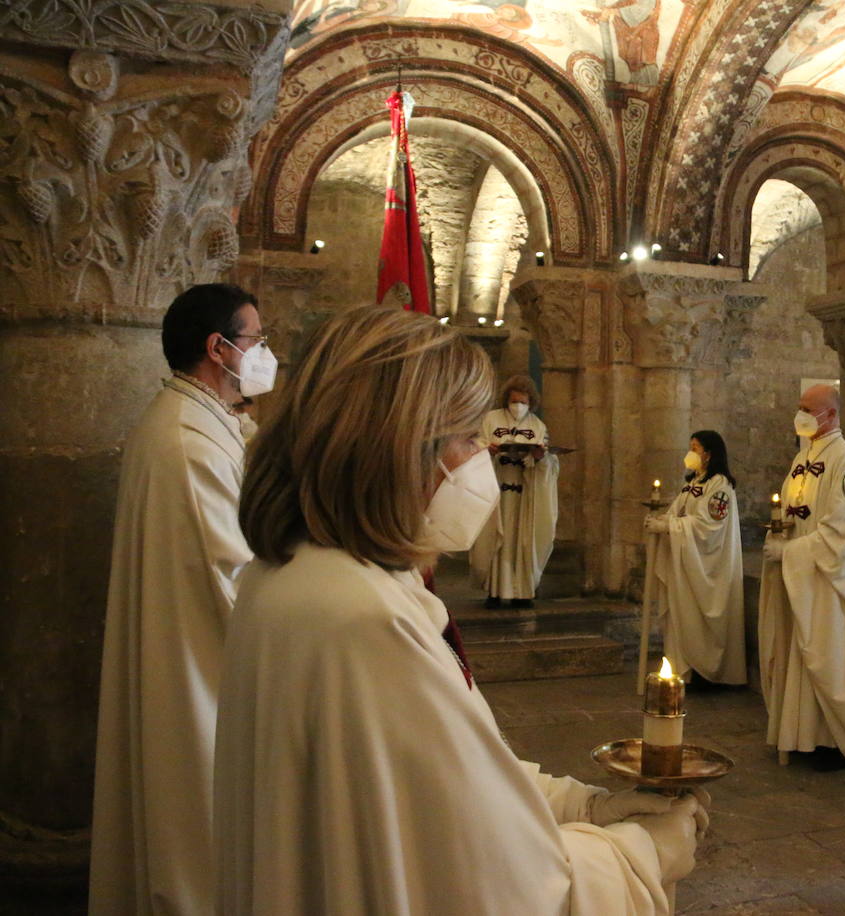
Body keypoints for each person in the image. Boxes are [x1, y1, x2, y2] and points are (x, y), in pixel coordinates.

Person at [216, 305, 705, 914]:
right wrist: (644, 852)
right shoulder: (365, 621)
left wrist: (589, 808)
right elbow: (500, 887)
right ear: (402, 449)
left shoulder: (295, 573)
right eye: (468, 437)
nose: (480, 456)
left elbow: (451, 789)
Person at [90, 283, 274, 915]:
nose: (262, 353)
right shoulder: (186, 442)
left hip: (195, 650)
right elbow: (234, 574)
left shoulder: (199, 418)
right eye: (254, 340)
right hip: (199, 665)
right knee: (199, 828)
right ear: (216, 348)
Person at [758, 384, 845, 771]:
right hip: (803, 579)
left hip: (829, 584)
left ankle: (832, 741)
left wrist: (792, 552)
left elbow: (840, 532)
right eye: (799, 408)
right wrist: (778, 536)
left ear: (830, 415)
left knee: (828, 654)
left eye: (806, 409)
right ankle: (803, 737)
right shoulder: (804, 458)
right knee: (798, 655)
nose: (800, 414)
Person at [644, 430, 746, 686]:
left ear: (709, 454)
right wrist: (661, 521)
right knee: (681, 617)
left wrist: (670, 527)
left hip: (707, 567)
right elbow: (677, 513)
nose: (690, 453)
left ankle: (705, 672)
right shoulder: (693, 483)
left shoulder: (719, 485)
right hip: (686, 564)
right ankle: (683, 670)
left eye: (695, 448)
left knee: (699, 618)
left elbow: (708, 526)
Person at [470, 375, 558, 609]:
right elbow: (476, 446)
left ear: (531, 403)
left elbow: (548, 460)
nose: (518, 406)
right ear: (506, 399)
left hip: (524, 495)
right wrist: (487, 451)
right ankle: (495, 591)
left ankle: (522, 592)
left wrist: (539, 458)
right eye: (514, 400)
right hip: (496, 490)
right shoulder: (491, 419)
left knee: (522, 541)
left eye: (523, 402)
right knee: (495, 539)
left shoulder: (537, 426)